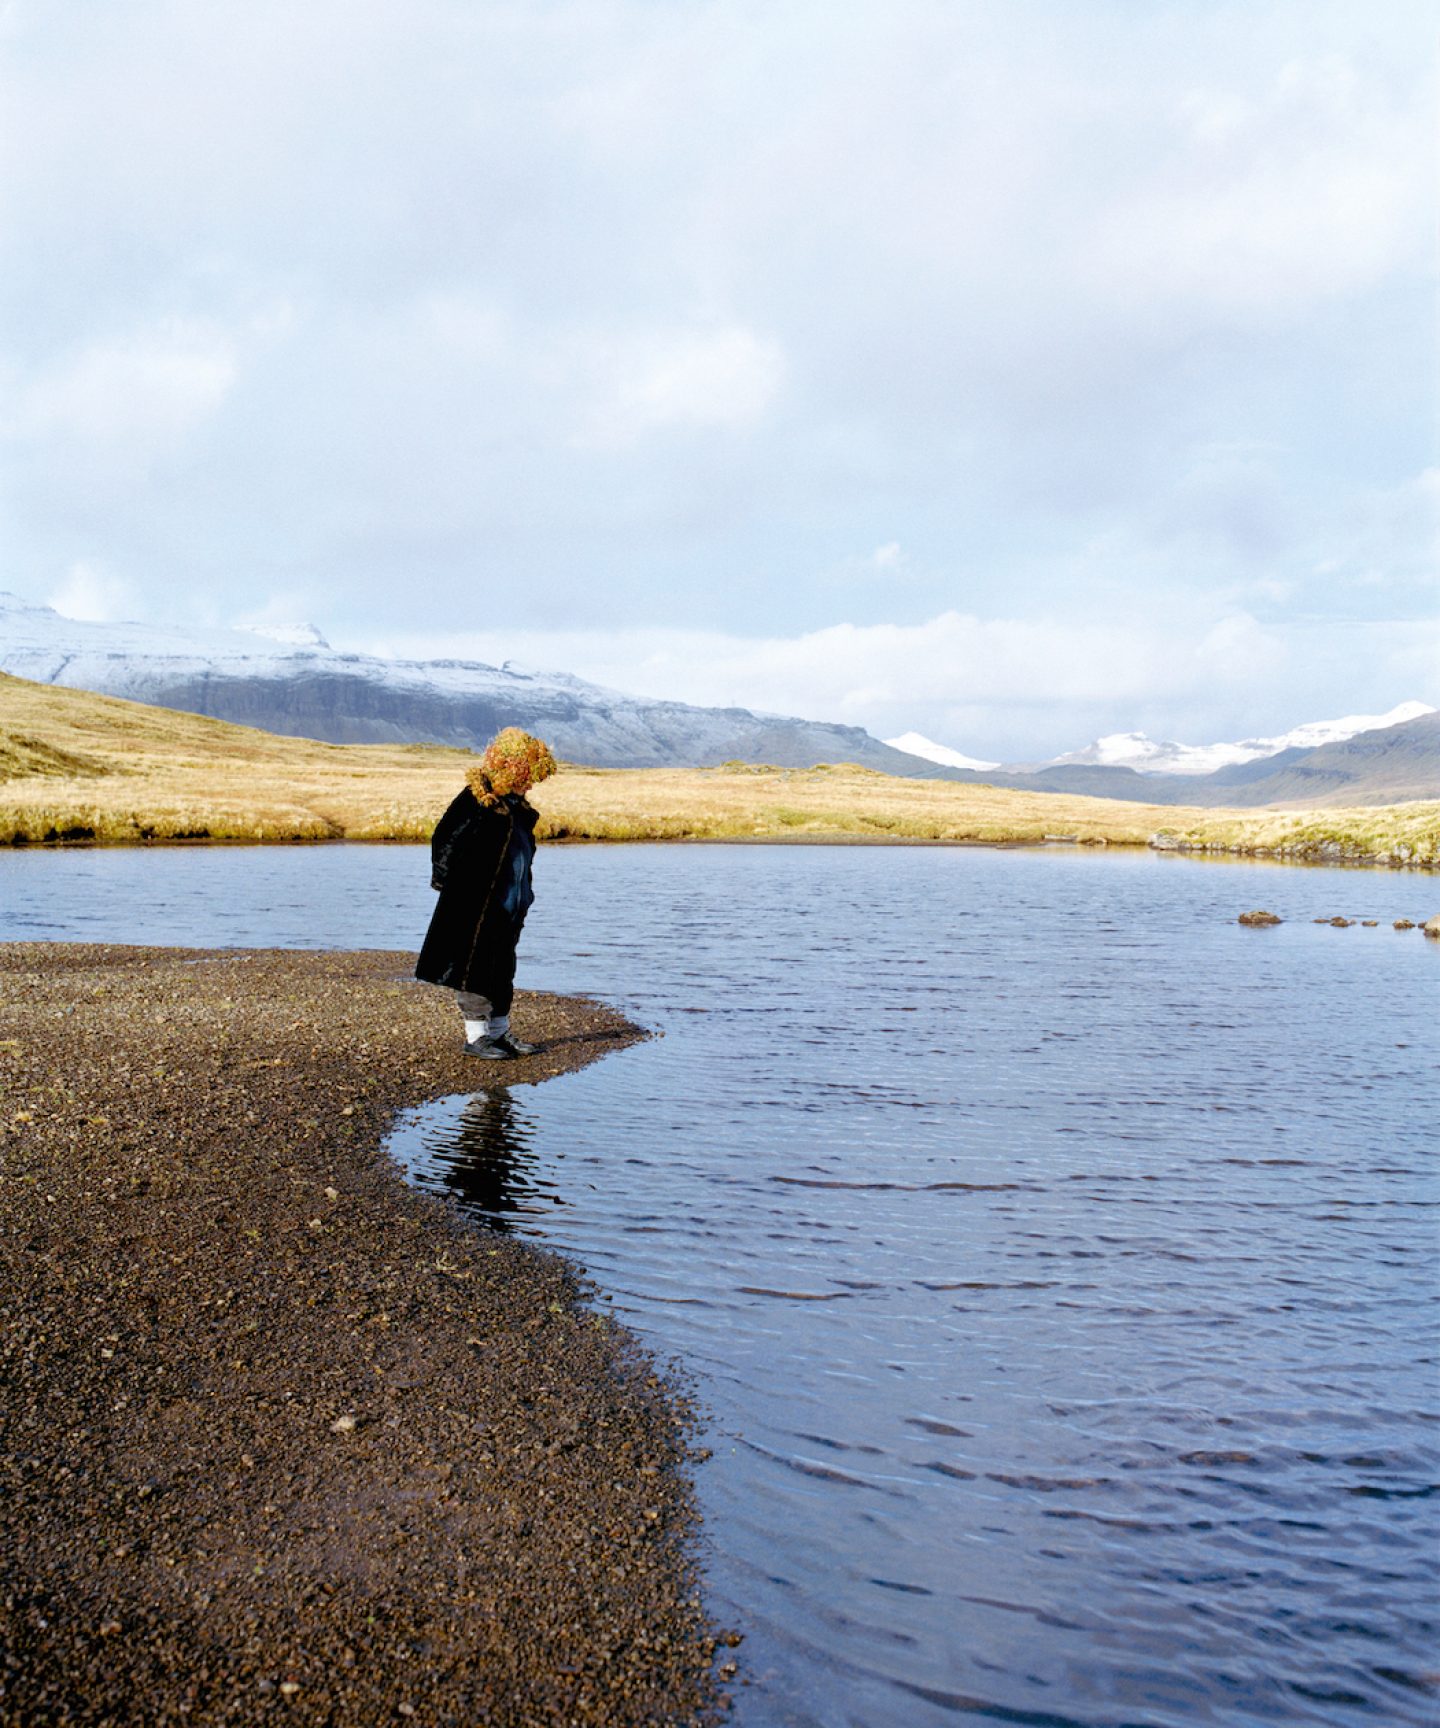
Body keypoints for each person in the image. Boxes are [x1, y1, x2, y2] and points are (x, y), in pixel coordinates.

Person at [415, 727, 557, 1058]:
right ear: (514, 768)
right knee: (474, 968)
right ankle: (476, 1037)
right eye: (529, 775)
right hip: (476, 904)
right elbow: (444, 841)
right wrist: (450, 887)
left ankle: (499, 1033)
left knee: (502, 967)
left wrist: (525, 898)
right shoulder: (477, 801)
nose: (532, 783)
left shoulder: (516, 807)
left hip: (510, 906)